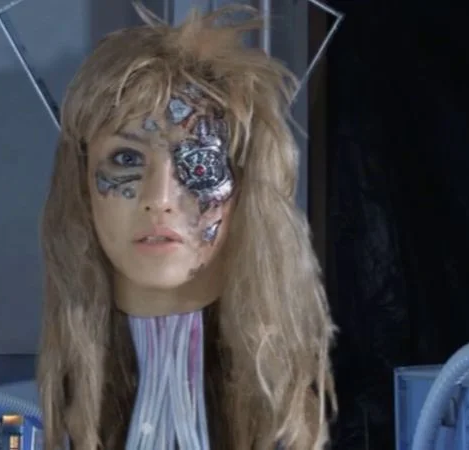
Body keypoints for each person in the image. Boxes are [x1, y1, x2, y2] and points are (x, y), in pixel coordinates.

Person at [38, 3, 336, 448]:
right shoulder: (56, 408)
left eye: (199, 162)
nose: (159, 199)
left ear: (245, 185)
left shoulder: (282, 414)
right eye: (126, 158)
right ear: (80, 183)